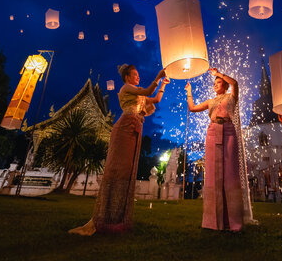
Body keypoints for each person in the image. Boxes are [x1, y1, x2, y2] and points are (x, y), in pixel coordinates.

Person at [69, 65, 168, 235]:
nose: (138, 76)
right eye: (135, 74)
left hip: (136, 126)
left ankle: (119, 218)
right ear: (127, 77)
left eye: (138, 74)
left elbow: (156, 99)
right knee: (119, 168)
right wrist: (157, 77)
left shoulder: (138, 94)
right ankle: (107, 216)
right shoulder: (127, 88)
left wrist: (163, 84)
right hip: (125, 126)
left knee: (128, 169)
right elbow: (148, 90)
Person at [185, 67, 255, 231]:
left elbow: (235, 83)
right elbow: (192, 108)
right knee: (213, 174)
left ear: (224, 85)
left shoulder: (231, 97)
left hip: (229, 132)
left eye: (219, 83)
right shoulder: (210, 101)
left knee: (229, 174)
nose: (215, 85)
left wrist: (218, 73)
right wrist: (189, 91)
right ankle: (212, 221)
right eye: (215, 83)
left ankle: (233, 222)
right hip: (212, 132)